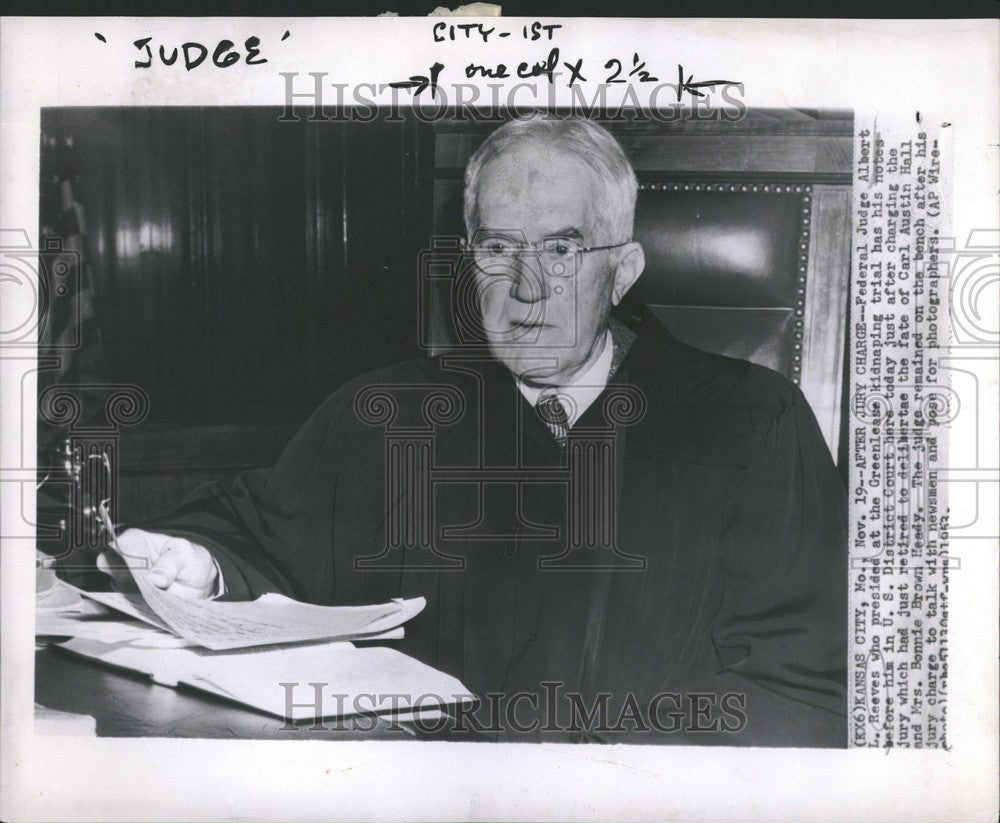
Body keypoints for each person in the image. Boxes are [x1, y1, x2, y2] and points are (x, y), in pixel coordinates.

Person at [99, 117, 848, 746]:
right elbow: (260, 535)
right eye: (497, 249)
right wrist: (201, 565)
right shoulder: (389, 413)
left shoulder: (749, 425)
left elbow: (800, 688)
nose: (524, 289)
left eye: (560, 250)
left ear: (622, 271)